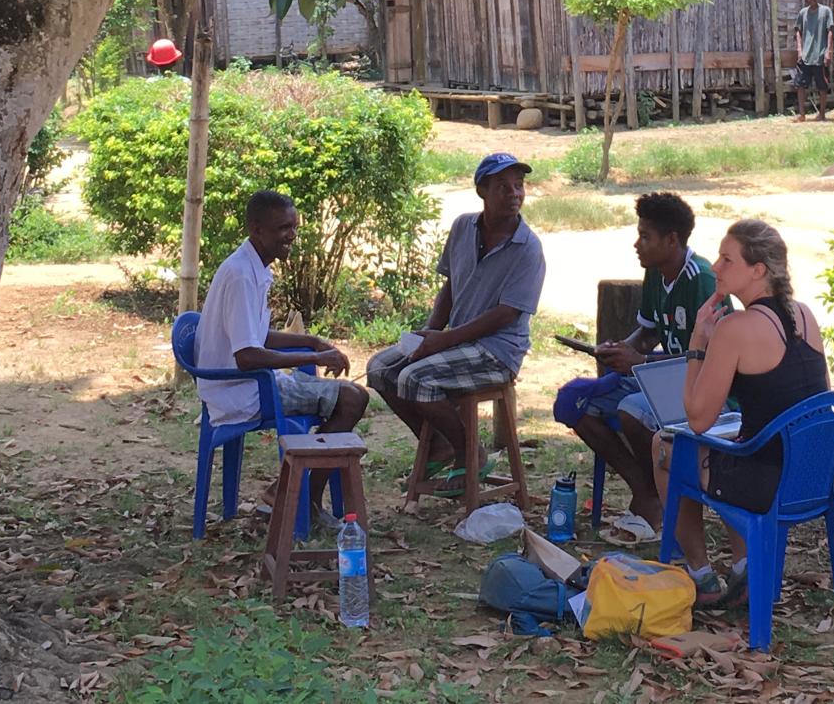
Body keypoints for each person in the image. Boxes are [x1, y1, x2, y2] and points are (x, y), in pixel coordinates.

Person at [651, 219, 831, 606]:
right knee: (735, 441)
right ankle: (744, 568)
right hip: (819, 472)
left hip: (767, 481)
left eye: (727, 259)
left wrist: (698, 342)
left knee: (665, 447)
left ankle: (700, 576)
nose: (714, 267)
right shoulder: (805, 315)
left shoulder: (735, 328)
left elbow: (697, 417)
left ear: (758, 271)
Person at [366, 153, 546, 497]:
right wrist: (430, 332)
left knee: (416, 378)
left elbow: (506, 314)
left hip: (497, 350)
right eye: (502, 186)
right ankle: (440, 444)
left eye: (519, 186)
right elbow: (450, 286)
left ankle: (470, 451)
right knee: (380, 369)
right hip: (458, 342)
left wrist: (444, 340)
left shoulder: (528, 248)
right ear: (482, 191)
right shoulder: (464, 226)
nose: (514, 194)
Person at [195, 190, 370, 526]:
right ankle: (299, 498)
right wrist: (303, 359)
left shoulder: (253, 267)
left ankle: (292, 491)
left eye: (293, 226)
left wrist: (312, 342)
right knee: (352, 398)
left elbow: (256, 337)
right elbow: (247, 355)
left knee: (345, 397)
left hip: (247, 382)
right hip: (241, 390)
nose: (291, 235)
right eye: (281, 228)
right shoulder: (242, 275)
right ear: (255, 229)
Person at [564, 193, 727, 531]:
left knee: (629, 410)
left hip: (700, 389)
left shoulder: (703, 282)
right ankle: (643, 488)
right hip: (657, 378)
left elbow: (714, 357)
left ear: (672, 240)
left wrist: (640, 359)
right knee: (574, 403)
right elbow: (648, 332)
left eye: (645, 236)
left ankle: (655, 495)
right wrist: (620, 348)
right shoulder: (655, 273)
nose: (636, 244)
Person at [793, 0, 834, 122]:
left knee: (822, 86)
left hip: (820, 55)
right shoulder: (803, 13)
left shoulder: (826, 11)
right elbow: (798, 31)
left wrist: (828, 51)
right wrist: (799, 49)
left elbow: (830, 31)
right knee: (800, 85)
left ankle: (822, 114)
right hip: (805, 56)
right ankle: (802, 115)